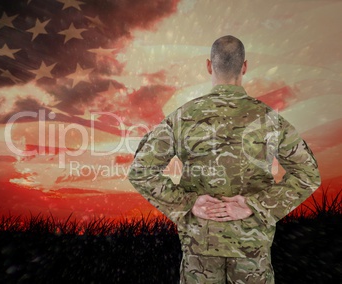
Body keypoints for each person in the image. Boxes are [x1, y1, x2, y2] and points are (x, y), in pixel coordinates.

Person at [128, 35, 321, 283]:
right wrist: (256, 205)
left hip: (200, 246)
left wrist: (188, 203)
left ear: (209, 65)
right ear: (245, 67)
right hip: (252, 249)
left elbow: (141, 171)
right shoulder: (269, 119)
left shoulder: (182, 117)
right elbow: (308, 174)